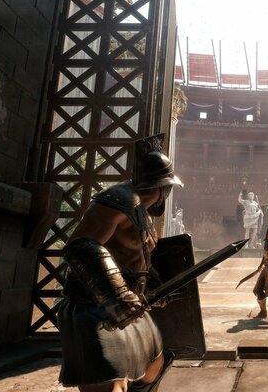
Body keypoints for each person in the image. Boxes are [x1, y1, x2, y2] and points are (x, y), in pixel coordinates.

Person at [57, 134, 183, 392]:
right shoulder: (116, 203)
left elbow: (137, 260)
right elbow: (81, 247)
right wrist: (119, 296)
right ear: (162, 187)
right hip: (96, 308)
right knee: (110, 383)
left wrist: (153, 285)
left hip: (129, 310)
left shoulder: (142, 213)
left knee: (152, 367)